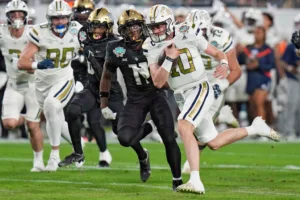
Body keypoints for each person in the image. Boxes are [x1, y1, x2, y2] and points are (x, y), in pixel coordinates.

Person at [143, 4, 280, 194]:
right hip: (181, 94)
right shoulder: (149, 45)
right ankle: (255, 128)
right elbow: (158, 82)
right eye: (152, 27)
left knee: (184, 125)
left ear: (169, 23)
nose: (156, 30)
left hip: (199, 87)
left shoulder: (186, 32)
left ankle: (195, 180)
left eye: (159, 25)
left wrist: (224, 63)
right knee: (213, 142)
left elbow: (217, 53)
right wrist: (168, 59)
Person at [100, 9, 182, 189]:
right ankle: (145, 151)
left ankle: (177, 180)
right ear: (122, 31)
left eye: (136, 27)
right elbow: (106, 76)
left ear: (143, 26)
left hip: (156, 95)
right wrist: (104, 105)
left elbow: (168, 80)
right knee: (124, 138)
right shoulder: (116, 48)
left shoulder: (155, 44)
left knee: (168, 137)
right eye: (128, 28)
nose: (133, 31)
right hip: (135, 99)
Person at [18, 0, 81, 172]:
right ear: (49, 19)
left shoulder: (78, 31)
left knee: (52, 105)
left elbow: (90, 51)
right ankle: (79, 146)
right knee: (55, 119)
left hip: (64, 78)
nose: (60, 22)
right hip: (41, 82)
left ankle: (54, 156)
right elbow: (21, 62)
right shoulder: (40, 32)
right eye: (56, 18)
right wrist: (37, 65)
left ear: (69, 18)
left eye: (63, 18)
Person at [58, 7, 123, 168]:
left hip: (109, 90)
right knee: (73, 112)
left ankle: (139, 155)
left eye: (100, 26)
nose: (96, 30)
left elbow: (107, 73)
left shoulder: (114, 43)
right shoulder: (80, 35)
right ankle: (79, 152)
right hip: (86, 85)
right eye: (93, 25)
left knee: (119, 133)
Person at [181, 9, 241, 174]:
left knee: (200, 128)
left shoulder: (221, 37)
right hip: (192, 85)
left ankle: (192, 164)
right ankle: (223, 116)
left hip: (214, 85)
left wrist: (220, 86)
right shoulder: (181, 34)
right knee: (188, 125)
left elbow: (236, 70)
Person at [0, 0, 44, 172]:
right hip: (13, 84)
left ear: (26, 17)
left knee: (33, 128)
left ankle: (38, 161)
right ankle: (30, 118)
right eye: (13, 14)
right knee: (9, 123)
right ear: (8, 16)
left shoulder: (33, 33)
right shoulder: (2, 33)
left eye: (20, 14)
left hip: (33, 84)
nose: (17, 17)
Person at [241, 26, 275, 120]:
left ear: (264, 34)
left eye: (260, 32)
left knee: (259, 103)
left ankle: (262, 128)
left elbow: (271, 65)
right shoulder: (248, 48)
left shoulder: (268, 49)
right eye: (256, 32)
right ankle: (255, 128)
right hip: (251, 79)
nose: (257, 34)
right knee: (252, 105)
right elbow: (241, 61)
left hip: (263, 78)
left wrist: (258, 65)